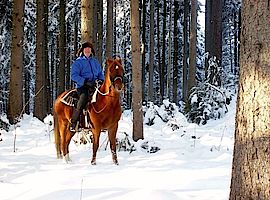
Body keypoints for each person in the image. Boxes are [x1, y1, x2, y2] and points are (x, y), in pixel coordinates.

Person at [70, 41, 104, 132]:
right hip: (83, 86)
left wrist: (101, 80)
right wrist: (84, 81)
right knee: (83, 98)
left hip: (95, 85)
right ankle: (74, 122)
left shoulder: (95, 62)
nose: (87, 50)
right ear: (82, 50)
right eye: (86, 49)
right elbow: (73, 76)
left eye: (89, 49)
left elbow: (100, 73)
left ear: (91, 51)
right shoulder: (78, 62)